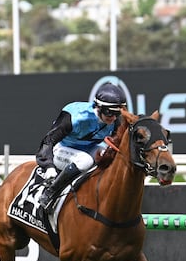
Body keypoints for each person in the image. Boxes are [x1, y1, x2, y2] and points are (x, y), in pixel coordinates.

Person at [36, 81, 127, 211]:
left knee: (110, 156)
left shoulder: (114, 121)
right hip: (61, 149)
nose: (113, 118)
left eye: (117, 113)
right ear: (98, 107)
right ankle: (50, 193)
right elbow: (48, 140)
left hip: (88, 149)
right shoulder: (75, 116)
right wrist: (48, 166)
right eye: (109, 112)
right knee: (85, 160)